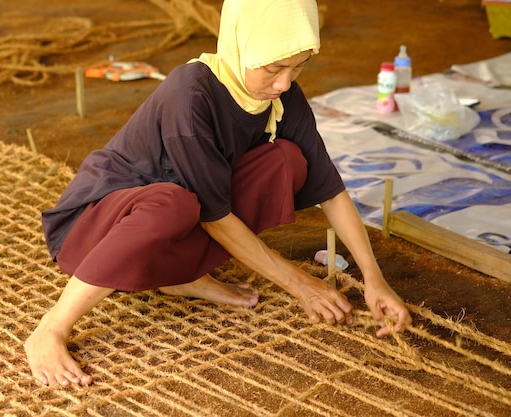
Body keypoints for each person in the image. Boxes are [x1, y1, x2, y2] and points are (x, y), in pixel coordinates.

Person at [25, 0, 412, 387]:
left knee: (286, 161)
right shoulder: (191, 93)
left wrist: (374, 278)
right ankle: (51, 328)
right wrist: (300, 285)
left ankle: (181, 275)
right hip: (93, 231)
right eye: (273, 68)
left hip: (179, 217)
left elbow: (331, 191)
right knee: (174, 205)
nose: (284, 83)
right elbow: (213, 216)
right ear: (239, 44)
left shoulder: (282, 97)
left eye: (297, 68)